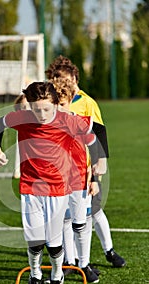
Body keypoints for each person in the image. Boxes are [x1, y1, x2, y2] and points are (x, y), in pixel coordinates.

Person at [0, 81, 103, 284]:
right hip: (30, 187)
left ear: (55, 104)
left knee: (53, 244)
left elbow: (95, 134)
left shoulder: (67, 120)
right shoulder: (23, 119)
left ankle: (57, 277)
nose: (41, 114)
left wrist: (99, 163)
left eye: (46, 109)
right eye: (36, 109)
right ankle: (35, 276)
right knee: (34, 242)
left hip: (57, 189)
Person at [45, 56, 126, 269]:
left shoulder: (87, 102)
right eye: (56, 79)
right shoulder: (53, 103)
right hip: (62, 169)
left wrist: (101, 163)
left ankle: (108, 250)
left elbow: (99, 132)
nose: (61, 83)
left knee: (94, 211)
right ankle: (71, 260)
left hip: (86, 168)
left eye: (64, 78)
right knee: (66, 216)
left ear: (74, 77)